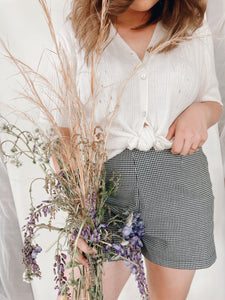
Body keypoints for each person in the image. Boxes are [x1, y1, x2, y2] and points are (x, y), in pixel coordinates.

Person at [39, 1, 224, 299]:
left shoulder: (189, 25)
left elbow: (212, 99)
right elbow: (60, 130)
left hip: (180, 182)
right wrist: (77, 207)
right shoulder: (77, 33)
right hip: (104, 188)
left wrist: (200, 112)